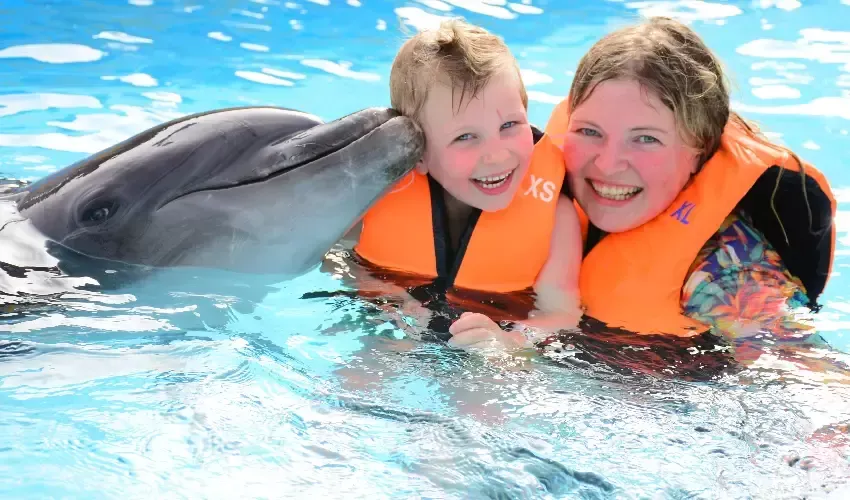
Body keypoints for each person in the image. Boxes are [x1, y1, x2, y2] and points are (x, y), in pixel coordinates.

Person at [449, 16, 836, 350]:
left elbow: (808, 386)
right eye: (589, 131)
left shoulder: (729, 273)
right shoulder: (516, 189)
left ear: (698, 151)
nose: (609, 163)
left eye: (646, 138)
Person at [346, 18, 585, 349]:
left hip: (495, 337)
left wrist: (511, 343)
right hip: (394, 323)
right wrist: (388, 297)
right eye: (466, 137)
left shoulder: (557, 216)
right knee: (365, 371)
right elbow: (334, 258)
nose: (497, 155)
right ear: (419, 153)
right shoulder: (379, 194)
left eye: (510, 125)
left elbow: (561, 314)